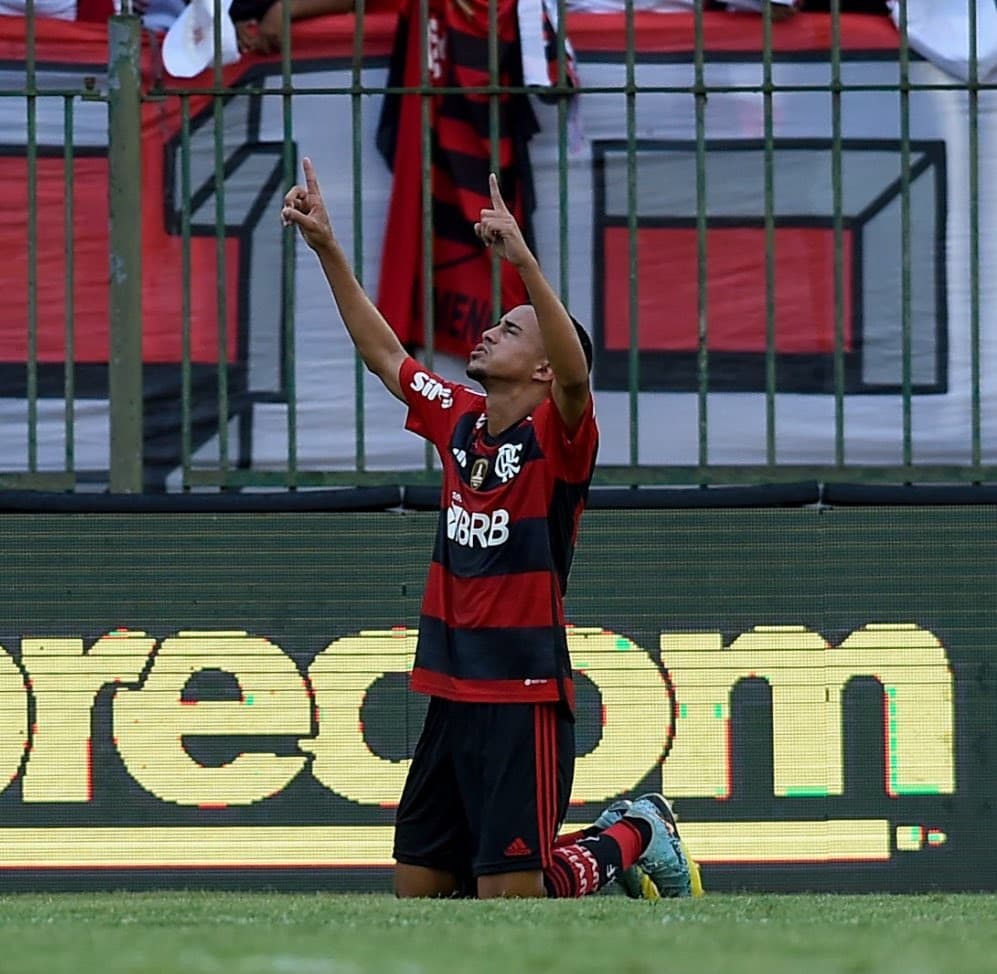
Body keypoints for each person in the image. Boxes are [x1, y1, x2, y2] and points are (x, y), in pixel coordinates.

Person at [281, 157, 694, 900]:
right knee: (421, 892)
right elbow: (385, 355)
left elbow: (575, 379)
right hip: (450, 683)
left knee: (511, 898)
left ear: (539, 369)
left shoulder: (561, 436)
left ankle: (633, 832)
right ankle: (612, 838)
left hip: (522, 689)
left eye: (509, 330)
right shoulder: (459, 418)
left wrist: (524, 261)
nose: (487, 334)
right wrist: (327, 250)